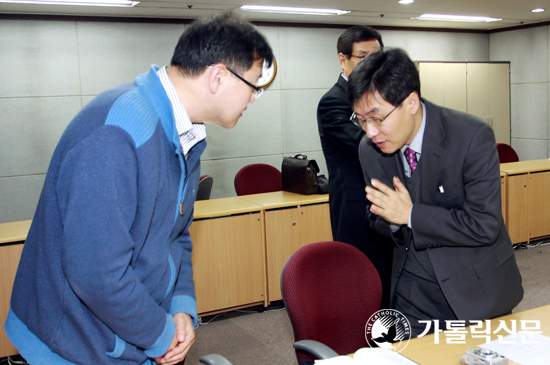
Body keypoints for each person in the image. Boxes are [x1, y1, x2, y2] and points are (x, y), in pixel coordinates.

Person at [4, 12, 273, 365]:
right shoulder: (117, 134)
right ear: (218, 76)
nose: (254, 99)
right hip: (73, 343)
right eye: (254, 86)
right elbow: (95, 273)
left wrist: (180, 306)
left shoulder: (186, 132)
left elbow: (176, 235)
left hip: (128, 329)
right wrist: (158, 335)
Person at [348, 48, 523, 337]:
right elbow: (375, 215)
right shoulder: (370, 151)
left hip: (477, 291)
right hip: (413, 295)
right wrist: (393, 219)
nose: (370, 131)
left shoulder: (471, 137)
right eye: (361, 119)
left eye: (377, 118)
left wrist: (411, 214)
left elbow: (484, 225)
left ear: (412, 102)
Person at [317, 25, 393, 307]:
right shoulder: (333, 103)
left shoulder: (386, 98)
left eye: (377, 56)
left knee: (391, 285)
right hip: (356, 212)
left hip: (389, 207)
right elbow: (368, 146)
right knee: (362, 290)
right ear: (342, 59)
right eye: (363, 57)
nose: (372, 64)